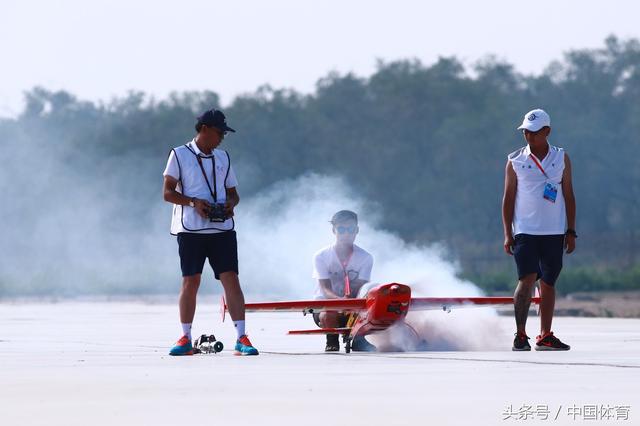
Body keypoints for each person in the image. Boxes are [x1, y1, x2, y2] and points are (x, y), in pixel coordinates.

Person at [162, 108, 258, 356]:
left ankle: (242, 336)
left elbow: (234, 193)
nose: (221, 138)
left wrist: (230, 204)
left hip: (221, 228)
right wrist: (195, 203)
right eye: (218, 133)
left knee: (231, 279)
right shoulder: (179, 155)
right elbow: (167, 193)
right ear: (204, 129)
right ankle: (185, 336)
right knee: (190, 280)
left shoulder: (223, 157)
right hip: (191, 229)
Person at [502, 108, 577, 351]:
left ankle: (545, 335)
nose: (529, 136)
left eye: (534, 132)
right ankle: (520, 335)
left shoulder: (561, 158)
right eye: (525, 132)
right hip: (525, 230)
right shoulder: (515, 160)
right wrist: (507, 233)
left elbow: (568, 195)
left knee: (548, 282)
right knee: (526, 279)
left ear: (547, 131)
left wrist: (571, 230)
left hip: (554, 231)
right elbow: (508, 199)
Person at [312, 210, 376, 352]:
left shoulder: (366, 258)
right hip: (326, 307)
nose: (346, 234)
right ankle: (332, 340)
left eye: (351, 229)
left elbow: (362, 288)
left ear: (357, 230)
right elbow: (325, 289)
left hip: (353, 307)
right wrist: (340, 301)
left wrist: (349, 302)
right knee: (329, 312)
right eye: (341, 229)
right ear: (333, 230)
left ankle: (358, 339)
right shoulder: (321, 256)